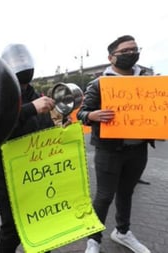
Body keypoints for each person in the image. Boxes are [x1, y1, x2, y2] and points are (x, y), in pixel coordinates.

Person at [77, 35, 153, 253]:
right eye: (125, 51)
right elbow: (81, 113)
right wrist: (92, 115)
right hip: (109, 151)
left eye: (134, 49)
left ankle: (122, 232)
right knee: (104, 196)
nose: (131, 53)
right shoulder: (100, 83)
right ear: (111, 57)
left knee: (126, 193)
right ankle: (94, 240)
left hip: (138, 149)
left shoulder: (147, 80)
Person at [0, 44, 55, 253]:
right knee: (11, 229)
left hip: (36, 172)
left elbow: (44, 125)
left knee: (42, 223)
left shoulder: (35, 93)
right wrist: (30, 109)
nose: (24, 87)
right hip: (7, 175)